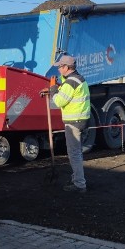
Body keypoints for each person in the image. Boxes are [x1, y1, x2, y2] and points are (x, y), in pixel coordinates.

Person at [48, 54, 91, 193]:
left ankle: (79, 184)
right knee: (77, 152)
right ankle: (77, 178)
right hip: (82, 120)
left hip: (74, 122)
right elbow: (67, 92)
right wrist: (59, 85)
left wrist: (53, 89)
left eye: (60, 67)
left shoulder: (71, 82)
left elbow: (58, 102)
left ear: (66, 67)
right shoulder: (78, 79)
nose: (59, 69)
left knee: (74, 154)